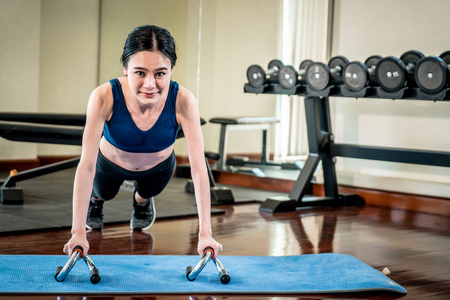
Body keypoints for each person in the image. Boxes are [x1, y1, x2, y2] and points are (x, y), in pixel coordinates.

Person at [64, 25, 222, 259]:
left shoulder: (183, 100)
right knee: (102, 192)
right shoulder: (103, 96)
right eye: (140, 73)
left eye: (160, 73)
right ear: (126, 69)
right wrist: (77, 232)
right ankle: (96, 201)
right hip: (108, 166)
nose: (150, 84)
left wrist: (206, 233)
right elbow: (86, 165)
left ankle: (142, 200)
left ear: (171, 70)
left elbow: (199, 169)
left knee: (148, 190)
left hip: (158, 168)